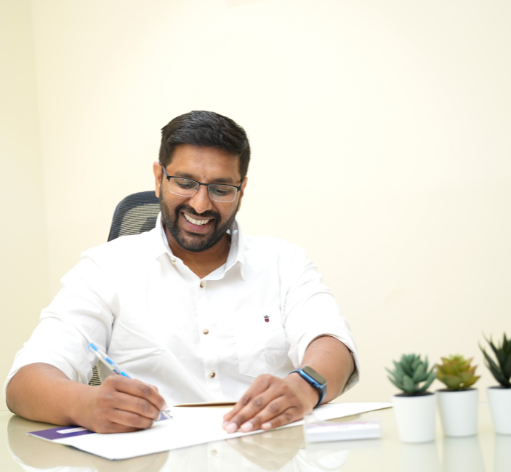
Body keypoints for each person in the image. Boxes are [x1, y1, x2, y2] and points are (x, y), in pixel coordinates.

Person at [5, 111, 359, 434]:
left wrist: (305, 385)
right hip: (153, 468)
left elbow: (331, 343)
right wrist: (84, 404)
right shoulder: (105, 268)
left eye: (221, 189)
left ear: (241, 191)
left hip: (269, 463)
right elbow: (26, 381)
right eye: (185, 183)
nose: (200, 205)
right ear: (159, 178)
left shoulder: (284, 263)